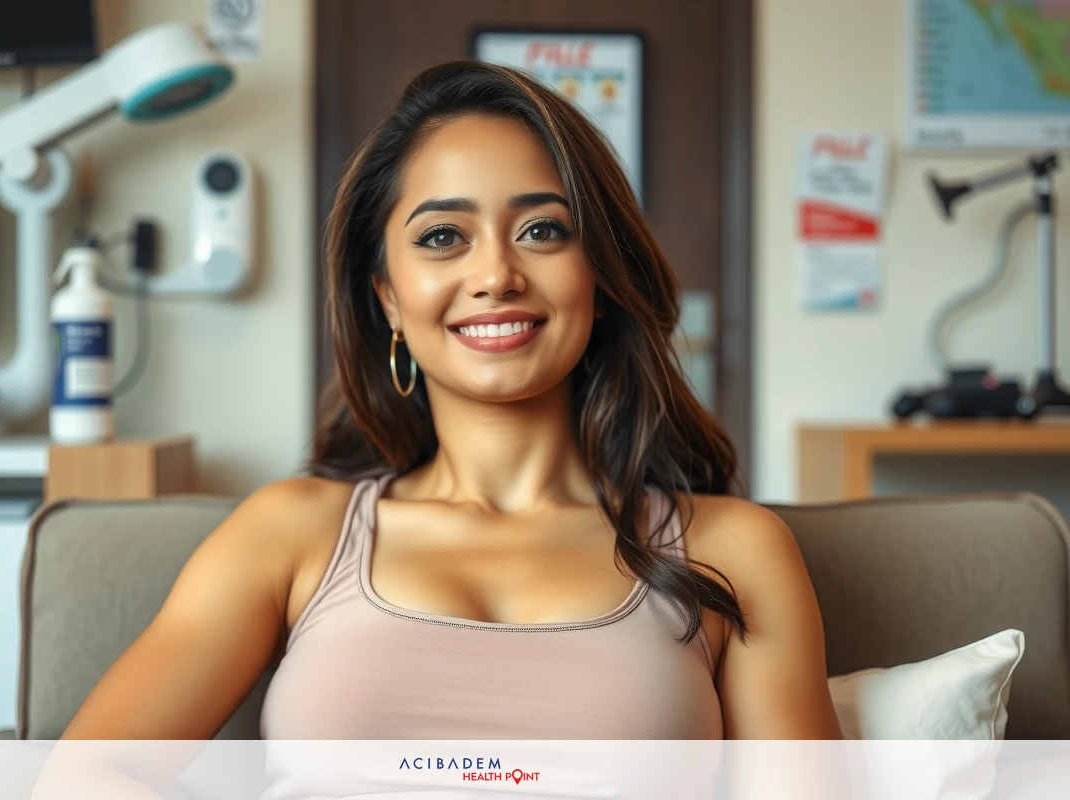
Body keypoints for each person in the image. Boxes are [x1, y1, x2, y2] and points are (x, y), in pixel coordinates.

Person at [57, 61, 842, 743]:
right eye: (442, 237)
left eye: (543, 229)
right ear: (388, 298)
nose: (496, 273)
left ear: (600, 280)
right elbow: (92, 776)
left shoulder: (735, 551)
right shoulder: (287, 534)